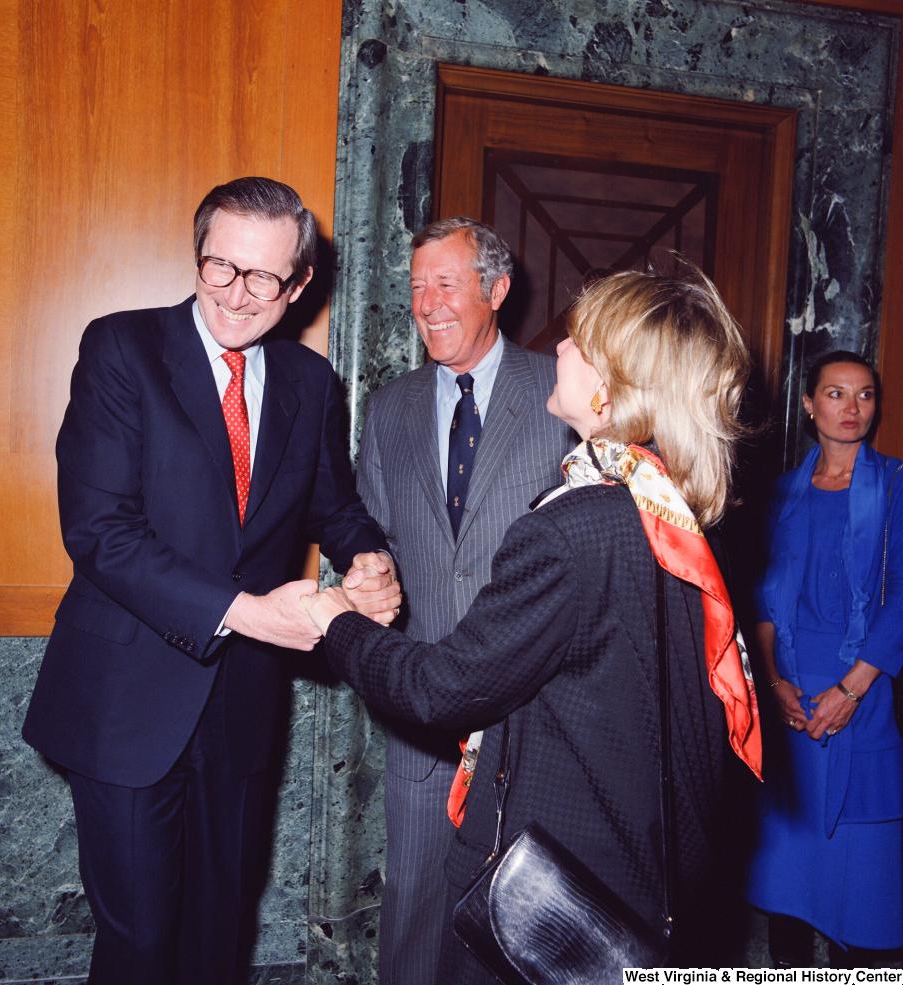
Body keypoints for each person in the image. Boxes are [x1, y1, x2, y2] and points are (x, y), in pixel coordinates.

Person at [303, 269, 763, 982]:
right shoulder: (673, 509)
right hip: (642, 870)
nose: (560, 347)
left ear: (614, 383)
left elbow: (439, 689)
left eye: (579, 340)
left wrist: (336, 622)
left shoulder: (579, 525)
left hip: (556, 890)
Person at [21, 177, 400, 985]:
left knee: (216, 939)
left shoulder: (308, 382)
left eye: (263, 276)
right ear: (198, 258)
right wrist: (249, 613)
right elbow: (100, 533)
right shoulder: (122, 348)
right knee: (143, 945)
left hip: (240, 709)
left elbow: (334, 505)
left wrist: (370, 556)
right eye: (220, 267)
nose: (236, 294)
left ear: (298, 286)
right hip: (125, 703)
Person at [355, 216, 573, 984]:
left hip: (536, 715)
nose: (427, 303)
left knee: (530, 916)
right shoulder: (387, 409)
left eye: (446, 283)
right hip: (422, 716)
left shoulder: (563, 392)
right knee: (413, 909)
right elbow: (367, 535)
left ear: (497, 290)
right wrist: (361, 573)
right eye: (416, 287)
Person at [746, 350, 903, 969]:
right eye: (835, 394)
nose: (852, 408)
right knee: (790, 884)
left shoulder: (895, 484)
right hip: (789, 700)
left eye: (864, 395)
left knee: (870, 895)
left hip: (862, 693)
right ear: (809, 404)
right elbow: (758, 596)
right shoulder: (780, 492)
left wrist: (853, 689)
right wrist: (773, 680)